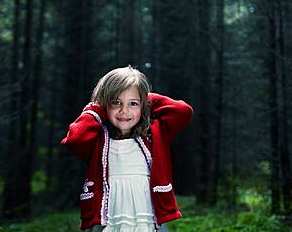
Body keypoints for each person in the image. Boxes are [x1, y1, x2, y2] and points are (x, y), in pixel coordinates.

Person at [60, 66, 193, 231]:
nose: (124, 111)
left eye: (133, 103)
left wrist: (142, 94)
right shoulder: (99, 139)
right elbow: (74, 140)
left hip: (147, 213)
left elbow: (183, 111)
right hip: (110, 214)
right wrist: (95, 109)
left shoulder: (154, 133)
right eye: (116, 102)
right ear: (105, 104)